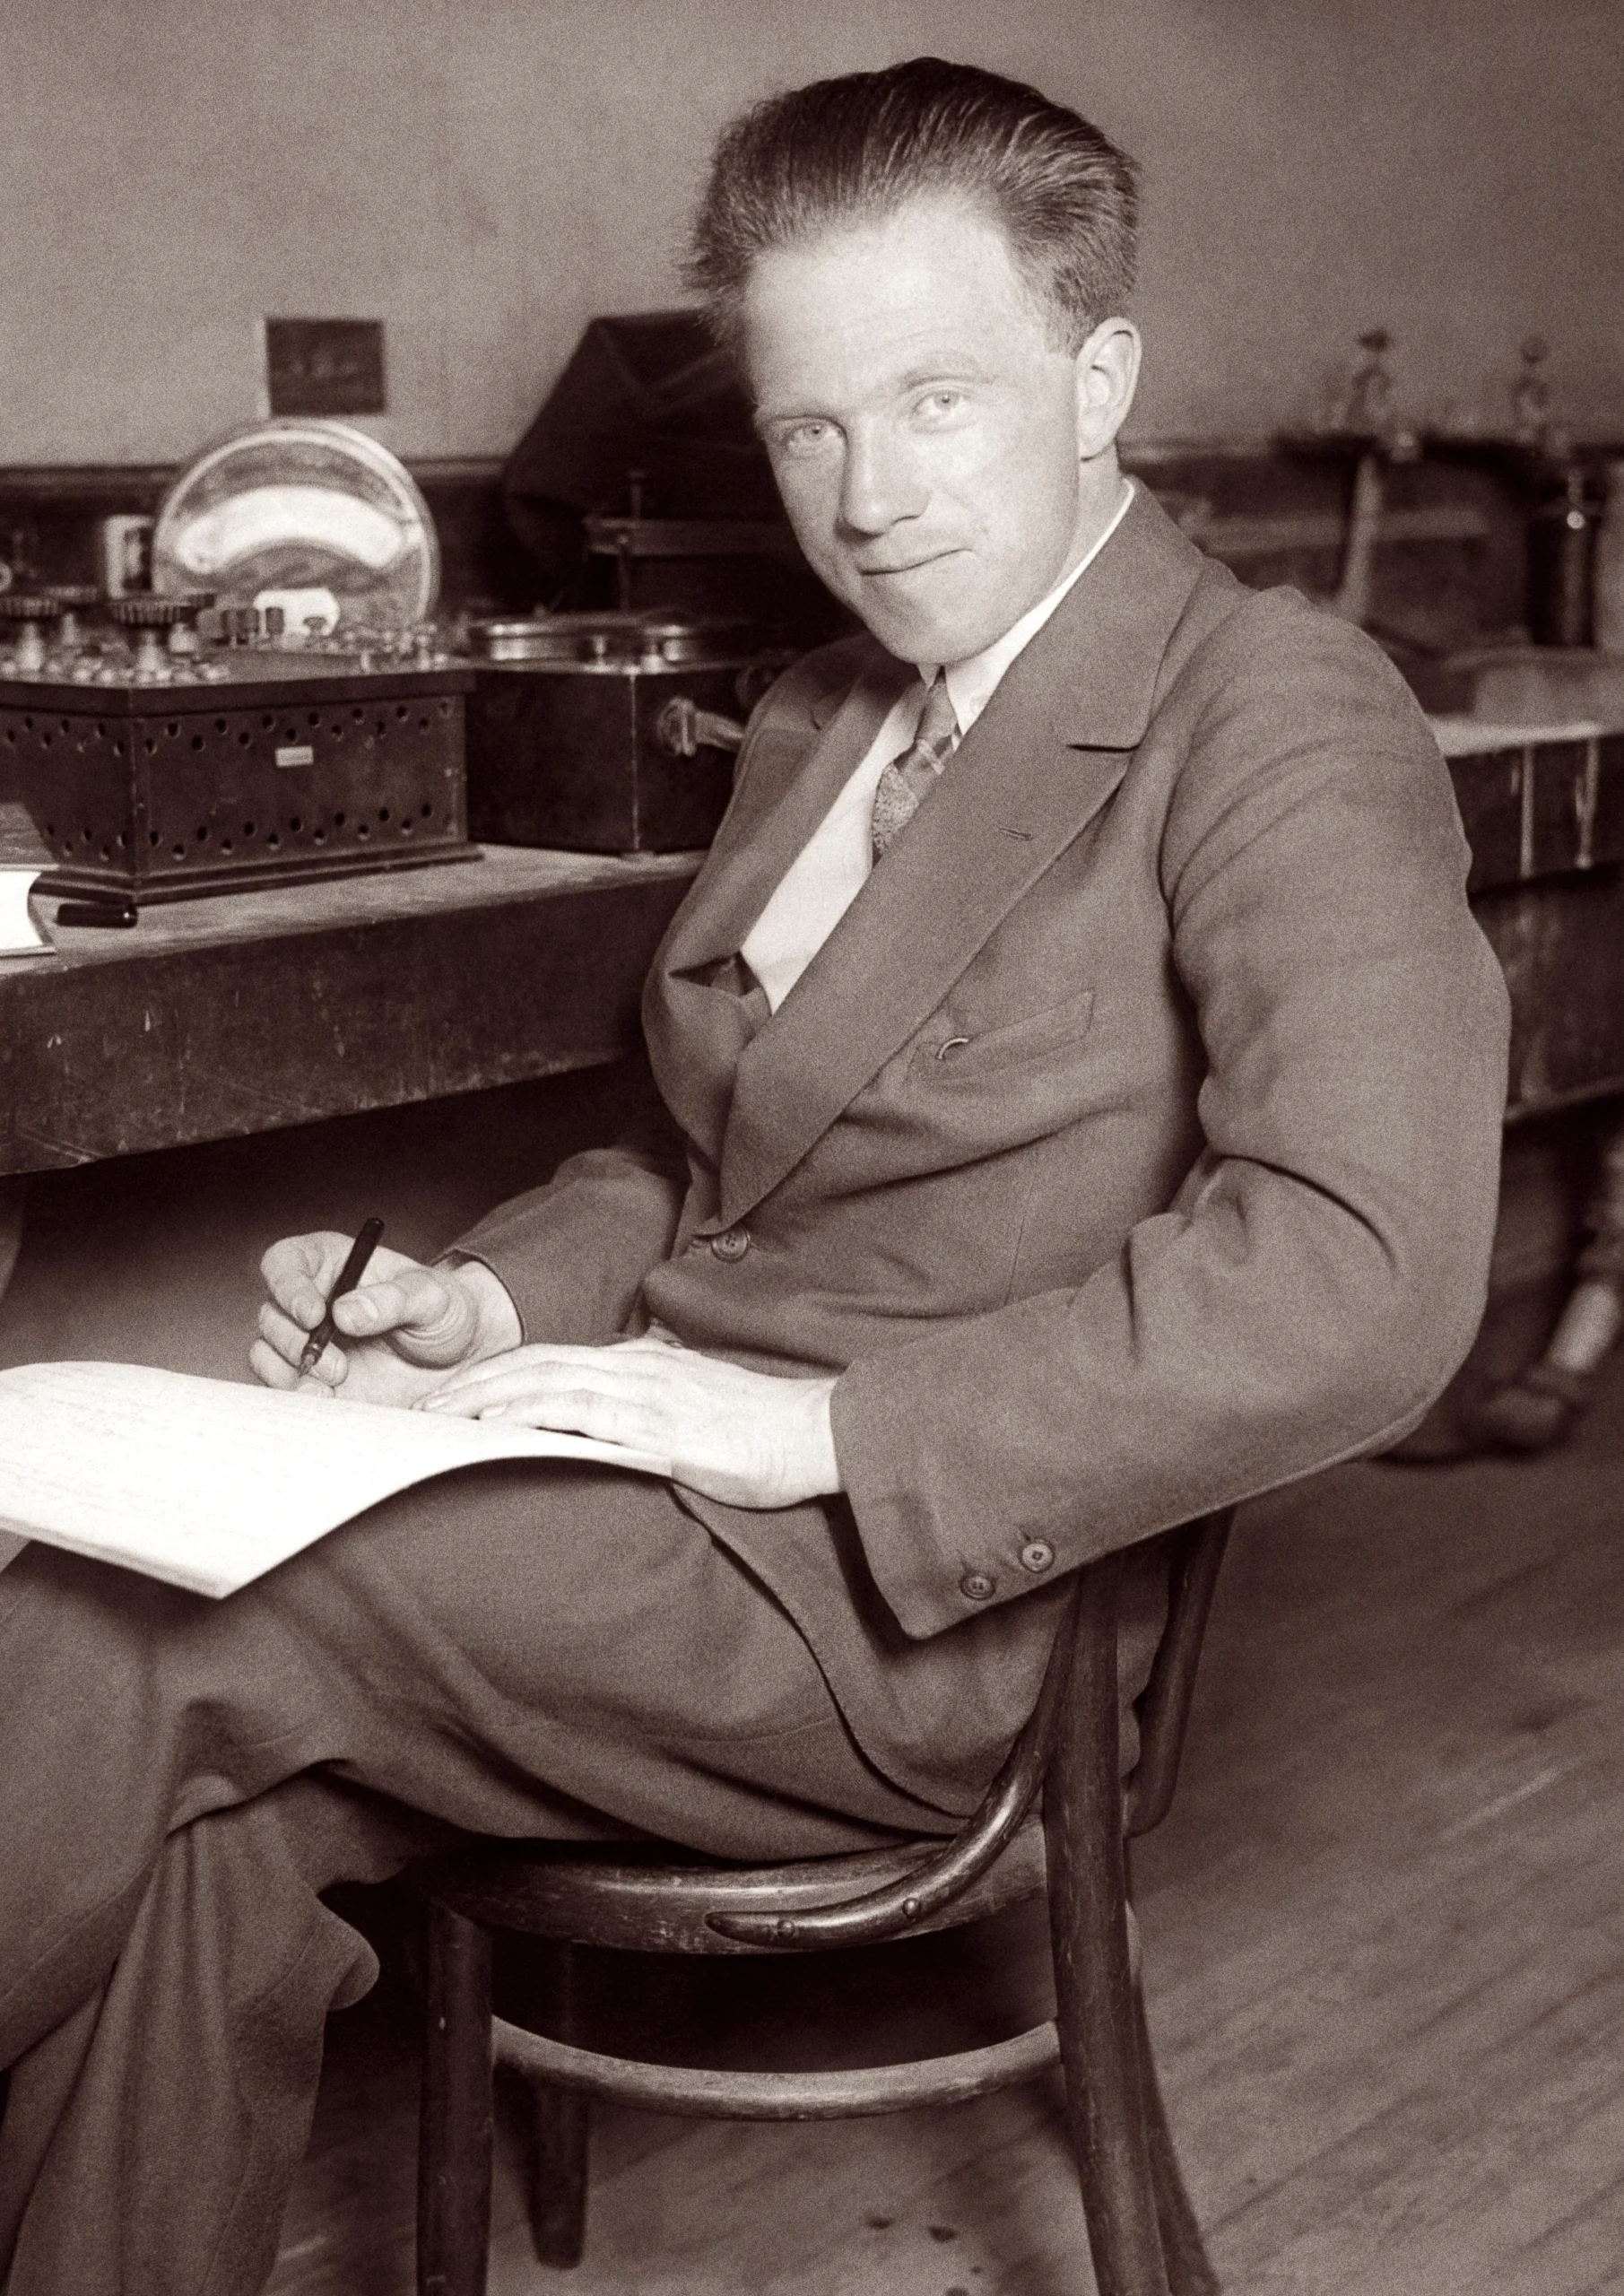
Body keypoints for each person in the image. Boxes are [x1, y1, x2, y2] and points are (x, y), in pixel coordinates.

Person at [0, 56, 1508, 2296]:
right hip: (644, 1491)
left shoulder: (1272, 713)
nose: (865, 495)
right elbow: (702, 1158)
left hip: (893, 1601)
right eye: (808, 426)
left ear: (1098, 377)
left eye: (935, 401)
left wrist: (815, 1426)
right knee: (189, 1812)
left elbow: (1363, 1266)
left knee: (109, 1626)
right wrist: (495, 1304)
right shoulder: (825, 711)